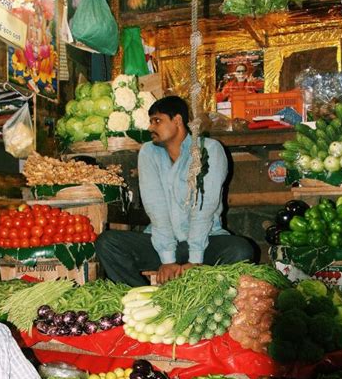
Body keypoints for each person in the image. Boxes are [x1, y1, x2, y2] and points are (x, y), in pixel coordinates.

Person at [95, 95, 255, 285]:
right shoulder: (148, 152)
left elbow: (204, 208)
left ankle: (202, 298)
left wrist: (195, 260)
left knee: (241, 250)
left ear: (177, 120)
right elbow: (156, 209)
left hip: (205, 241)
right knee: (107, 243)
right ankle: (143, 300)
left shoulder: (208, 149)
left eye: (157, 121)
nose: (150, 128)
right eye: (150, 121)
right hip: (161, 242)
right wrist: (167, 260)